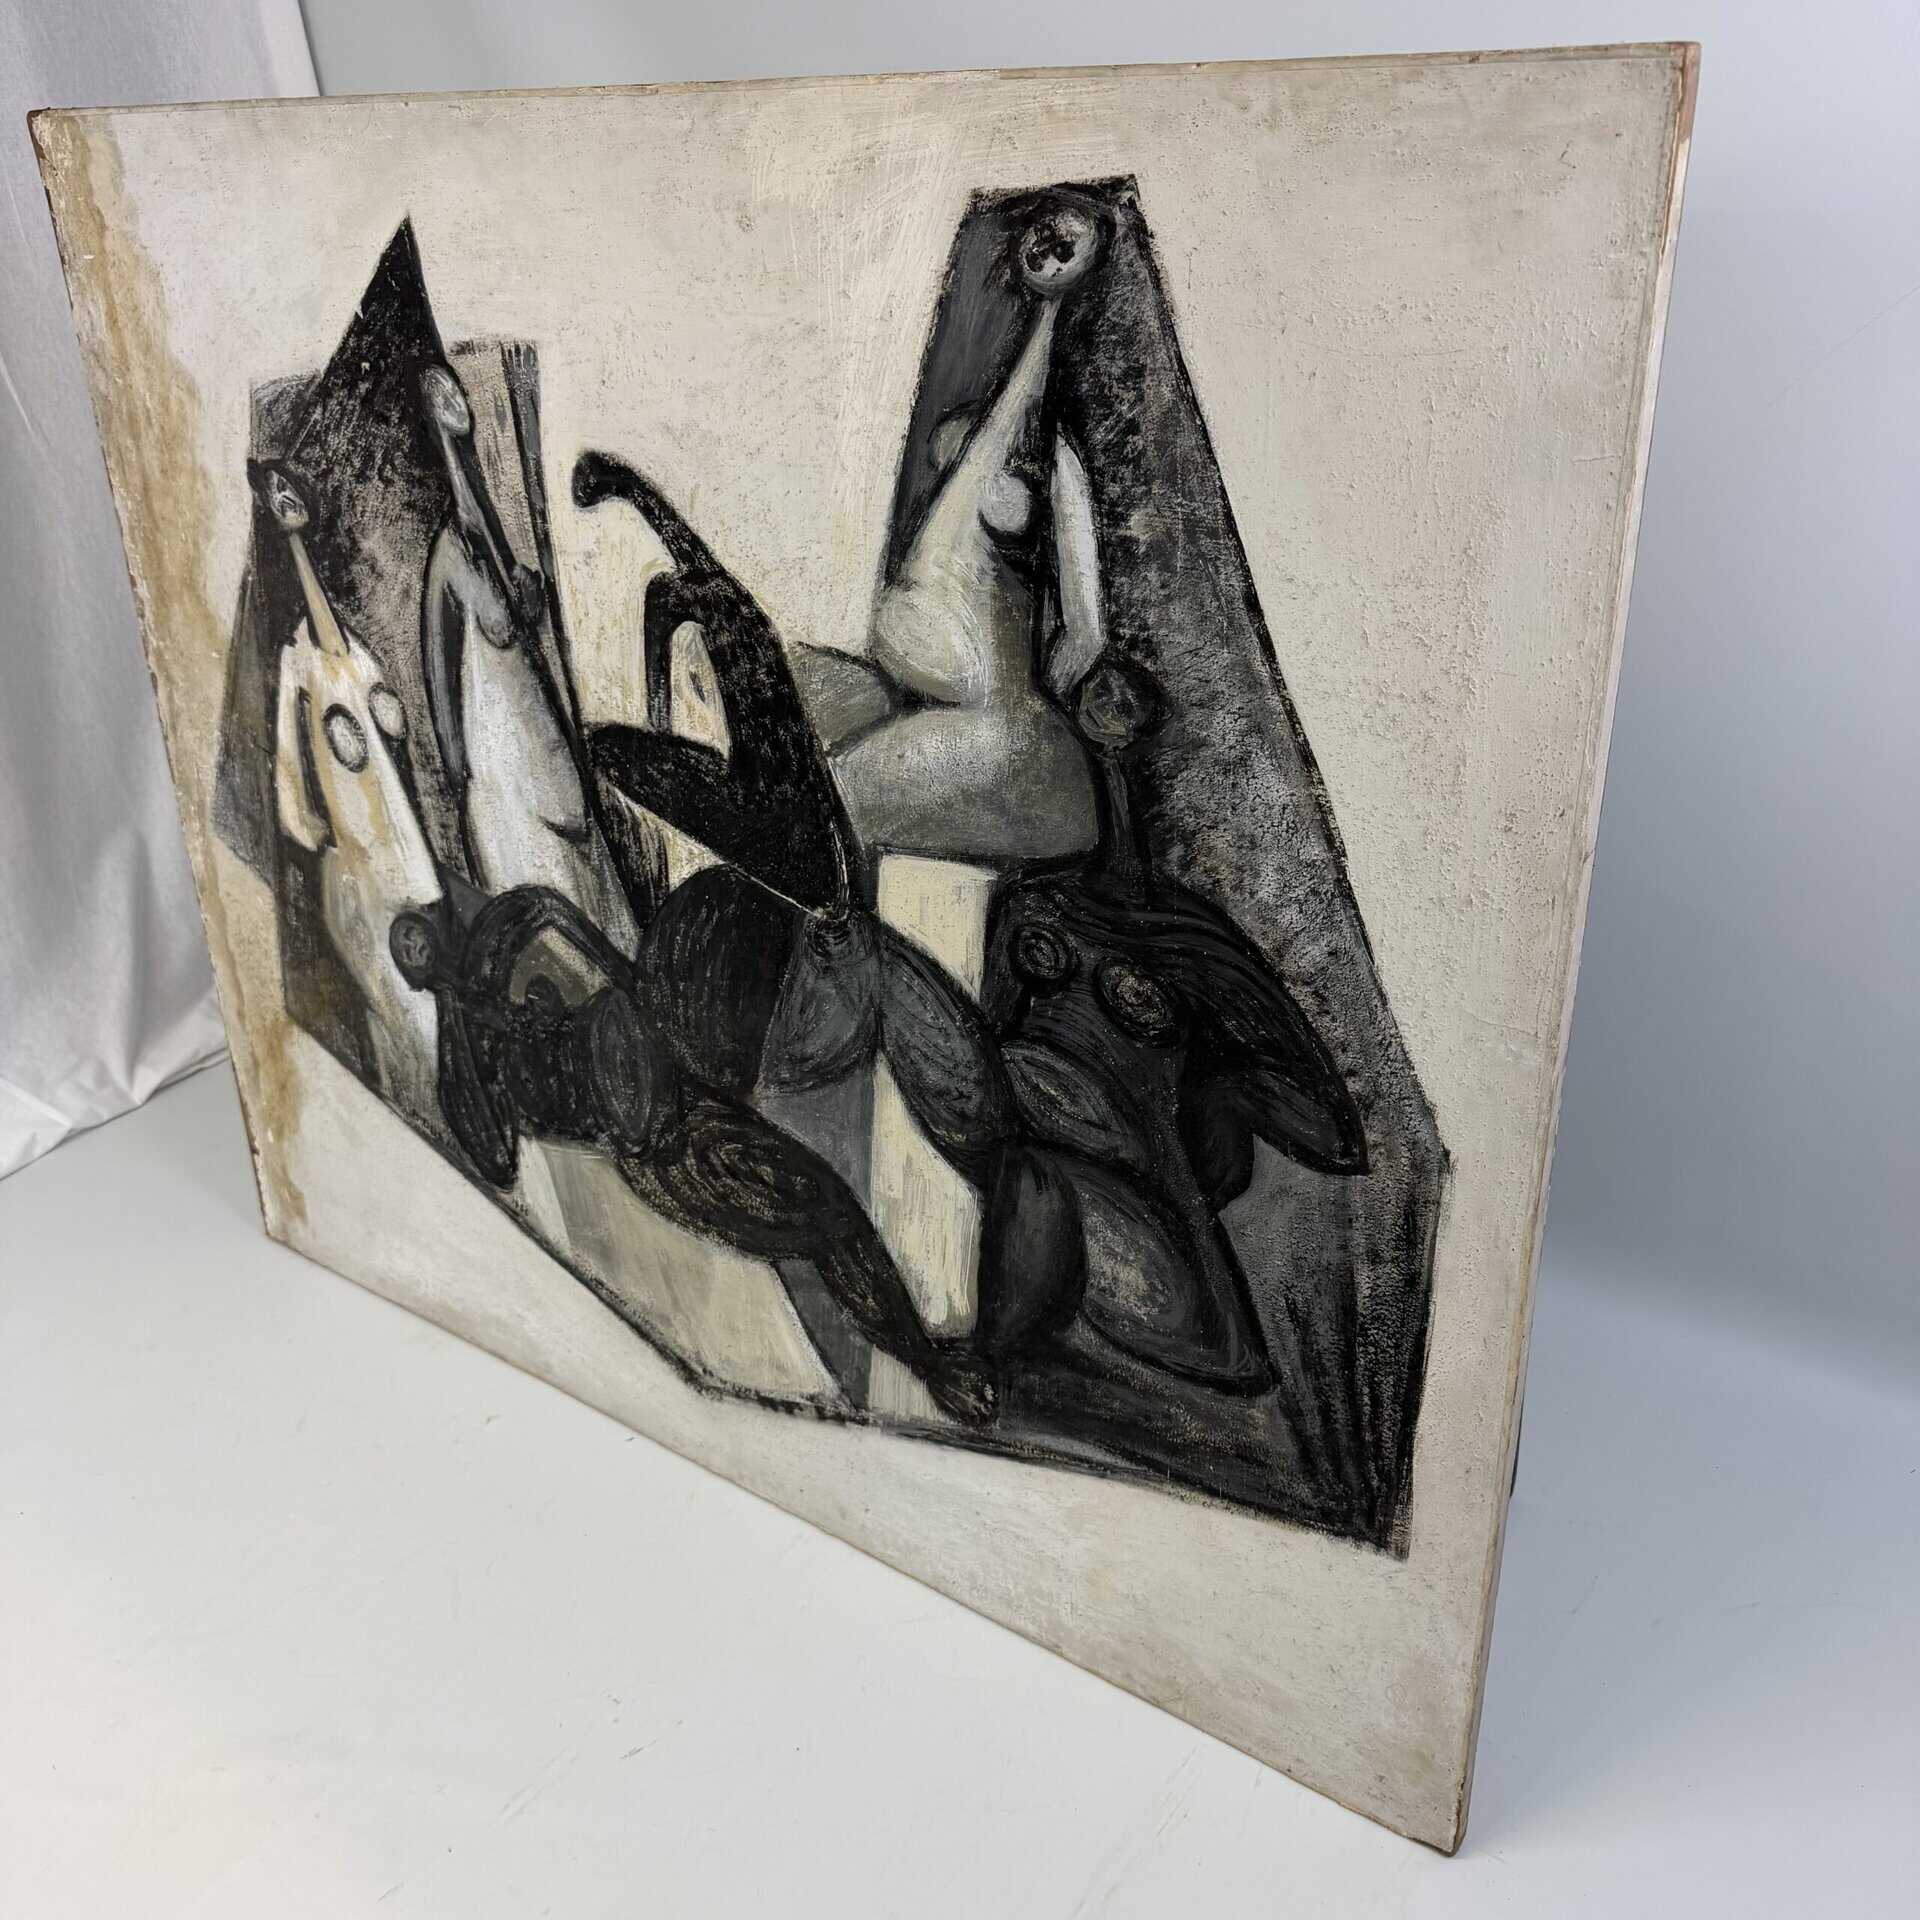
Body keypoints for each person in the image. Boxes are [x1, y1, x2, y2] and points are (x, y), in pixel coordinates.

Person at [976, 659, 1370, 1390]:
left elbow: (1335, 1134)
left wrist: (1216, 1099)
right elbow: (986, 1039)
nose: (1112, 724)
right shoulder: (1032, 903)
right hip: (1025, 1125)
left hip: (1130, 1182)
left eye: (1127, 717)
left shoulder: (1195, 946)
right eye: (1100, 708)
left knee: (1051, 1195)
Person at [261, 462, 443, 1117]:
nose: (286, 501)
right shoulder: (296, 659)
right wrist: (307, 827)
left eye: (289, 490)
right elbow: (288, 752)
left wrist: (387, 715)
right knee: (391, 992)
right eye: (274, 497)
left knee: (428, 970)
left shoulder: (354, 647)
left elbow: (390, 719)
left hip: (397, 830)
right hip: (353, 841)